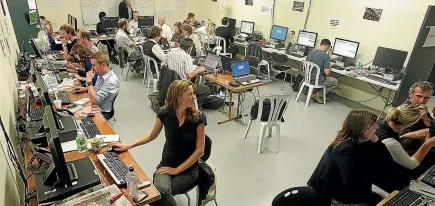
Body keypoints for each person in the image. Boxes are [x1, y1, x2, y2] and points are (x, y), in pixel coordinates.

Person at [111, 80, 206, 206]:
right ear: (178, 97)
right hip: (166, 166)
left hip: (188, 170)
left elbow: (200, 150)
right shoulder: (165, 113)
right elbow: (152, 135)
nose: (193, 96)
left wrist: (176, 170)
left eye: (193, 93)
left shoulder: (198, 118)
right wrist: (129, 145)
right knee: (159, 194)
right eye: (189, 94)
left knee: (158, 196)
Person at [308, 109, 381, 205]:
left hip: (356, 190)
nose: (377, 127)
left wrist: (376, 141)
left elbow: (386, 159)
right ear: (361, 128)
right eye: (373, 125)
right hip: (342, 196)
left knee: (378, 198)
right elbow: (352, 184)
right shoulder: (346, 150)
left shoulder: (360, 140)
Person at [377, 104, 435, 172]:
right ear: (409, 124)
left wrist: (407, 136)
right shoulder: (391, 142)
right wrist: (427, 144)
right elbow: (411, 165)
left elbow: (387, 146)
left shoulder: (381, 123)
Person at [163, 38, 211, 105]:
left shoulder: (170, 53)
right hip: (183, 85)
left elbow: (163, 66)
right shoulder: (187, 57)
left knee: (194, 82)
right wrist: (198, 70)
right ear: (190, 48)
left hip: (170, 82)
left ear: (180, 44)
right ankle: (190, 105)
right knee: (207, 89)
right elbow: (189, 75)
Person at [400, 81, 435, 152]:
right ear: (411, 94)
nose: (422, 101)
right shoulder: (404, 111)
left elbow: (433, 125)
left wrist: (426, 119)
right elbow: (404, 141)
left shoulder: (421, 108)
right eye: (419, 96)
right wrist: (426, 139)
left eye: (426, 98)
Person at [84, 51, 120, 119]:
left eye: (94, 65)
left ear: (103, 65)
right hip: (96, 106)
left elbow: (94, 101)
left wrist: (89, 80)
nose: (92, 68)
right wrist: (84, 89)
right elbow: (99, 88)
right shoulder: (101, 73)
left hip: (102, 112)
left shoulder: (111, 81)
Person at [306, 39, 338, 104]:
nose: (328, 49)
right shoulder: (325, 56)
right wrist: (329, 68)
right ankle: (316, 94)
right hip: (317, 80)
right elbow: (327, 73)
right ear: (326, 46)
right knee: (335, 81)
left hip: (307, 78)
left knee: (320, 76)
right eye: (328, 48)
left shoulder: (311, 52)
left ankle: (312, 92)